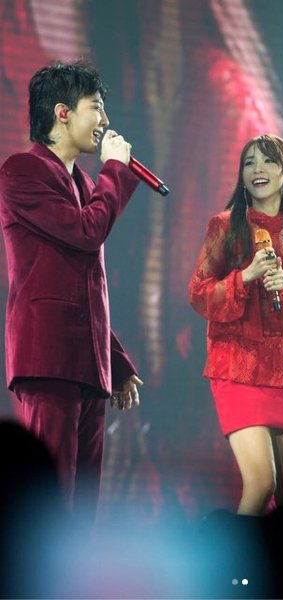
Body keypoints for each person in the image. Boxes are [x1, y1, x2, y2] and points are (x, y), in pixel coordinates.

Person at [0, 61, 143, 527]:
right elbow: (85, 233)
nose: (104, 120)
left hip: (87, 366)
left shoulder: (84, 183)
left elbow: (84, 282)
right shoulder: (22, 171)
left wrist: (116, 361)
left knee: (83, 511)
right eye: (95, 108)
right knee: (50, 502)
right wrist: (116, 170)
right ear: (62, 113)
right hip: (48, 359)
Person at [189, 133, 283, 516]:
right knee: (261, 484)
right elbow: (199, 293)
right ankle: (238, 557)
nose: (257, 169)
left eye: (268, 161)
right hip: (238, 365)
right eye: (249, 163)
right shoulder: (225, 227)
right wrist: (245, 276)